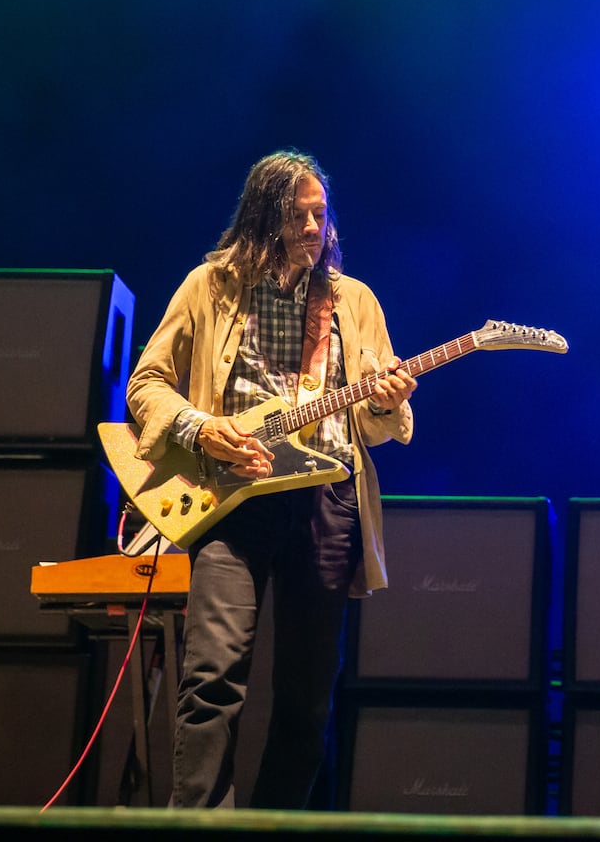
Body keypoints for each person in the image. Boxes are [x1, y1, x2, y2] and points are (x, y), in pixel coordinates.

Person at [126, 149, 416, 808]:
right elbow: (147, 384)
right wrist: (200, 428)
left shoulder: (354, 301)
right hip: (236, 501)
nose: (315, 228)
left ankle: (278, 826)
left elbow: (376, 421)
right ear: (263, 219)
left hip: (328, 501)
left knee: (308, 696)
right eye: (297, 216)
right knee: (212, 676)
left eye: (321, 214)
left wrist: (385, 399)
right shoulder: (211, 286)